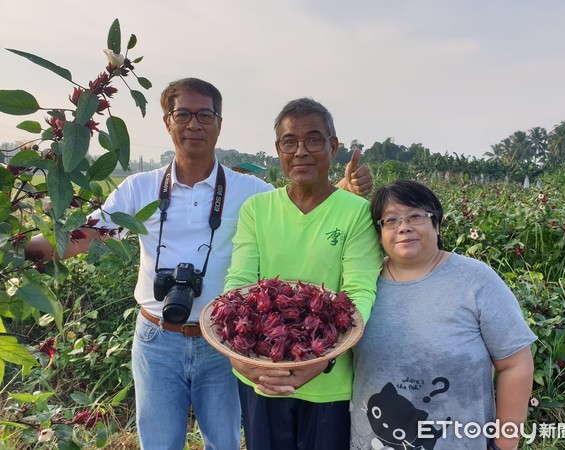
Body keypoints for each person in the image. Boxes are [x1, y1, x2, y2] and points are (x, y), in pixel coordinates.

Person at [25, 79, 374, 450]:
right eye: (183, 115)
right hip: (156, 338)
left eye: (205, 115)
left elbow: (303, 199)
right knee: (158, 443)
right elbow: (86, 236)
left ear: (219, 123)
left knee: (223, 442)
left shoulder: (249, 192)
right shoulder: (138, 189)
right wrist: (19, 250)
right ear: (167, 122)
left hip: (222, 341)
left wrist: (346, 190)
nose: (194, 125)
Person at [223, 97, 382, 450]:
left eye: (313, 140)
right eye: (289, 142)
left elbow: (359, 293)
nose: (301, 152)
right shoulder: (257, 209)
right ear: (278, 149)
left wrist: (319, 362)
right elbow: (240, 284)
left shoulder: (356, 213)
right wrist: (243, 360)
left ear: (333, 146)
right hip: (261, 372)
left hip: (330, 383)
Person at [350, 180, 536, 450]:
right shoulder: (363, 285)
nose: (404, 227)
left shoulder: (475, 280)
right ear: (379, 233)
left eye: (416, 216)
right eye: (390, 220)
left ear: (436, 224)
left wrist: (505, 443)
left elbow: (516, 365)